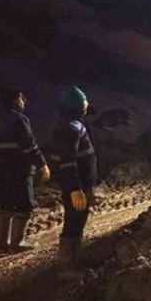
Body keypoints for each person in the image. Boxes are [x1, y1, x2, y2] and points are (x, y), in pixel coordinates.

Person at [0, 87, 50, 253]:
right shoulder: (20, 120)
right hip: (19, 169)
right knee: (24, 204)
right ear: (15, 100)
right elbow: (29, 146)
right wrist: (42, 164)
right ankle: (17, 242)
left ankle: (1, 242)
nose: (24, 101)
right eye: (22, 98)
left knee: (6, 204)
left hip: (1, 170)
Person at [48, 86, 100, 277]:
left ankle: (76, 259)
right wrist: (74, 188)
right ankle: (66, 266)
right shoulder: (71, 128)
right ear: (77, 106)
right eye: (84, 102)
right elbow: (67, 163)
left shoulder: (71, 125)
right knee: (74, 221)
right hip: (77, 186)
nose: (87, 105)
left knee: (79, 219)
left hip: (81, 184)